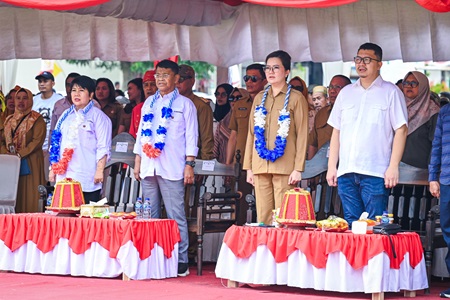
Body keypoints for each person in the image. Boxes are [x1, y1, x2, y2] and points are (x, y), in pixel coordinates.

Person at [326, 42, 408, 224]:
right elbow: (336, 131)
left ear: (379, 64)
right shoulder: (346, 93)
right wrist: (332, 166)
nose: (361, 64)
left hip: (375, 171)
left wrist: (393, 166)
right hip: (346, 171)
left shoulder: (391, 92)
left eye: (367, 60)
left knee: (375, 225)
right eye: (358, 59)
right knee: (351, 224)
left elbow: (401, 130)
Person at [133, 59, 198, 277]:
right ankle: (150, 256)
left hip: (172, 167)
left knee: (175, 215)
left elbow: (191, 136)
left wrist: (189, 164)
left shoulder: (185, 105)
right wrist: (138, 161)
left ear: (176, 79)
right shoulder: (148, 103)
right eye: (158, 75)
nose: (160, 79)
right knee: (148, 216)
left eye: (165, 75)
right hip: (149, 166)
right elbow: (142, 133)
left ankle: (181, 260)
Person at [243, 50, 309, 225]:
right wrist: (249, 167)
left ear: (287, 72)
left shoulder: (296, 98)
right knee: (263, 217)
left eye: (276, 68)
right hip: (260, 165)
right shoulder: (259, 98)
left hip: (285, 166)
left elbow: (302, 134)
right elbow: (251, 134)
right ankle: (265, 251)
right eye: (268, 68)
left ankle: (280, 251)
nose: (271, 72)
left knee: (282, 217)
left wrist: (298, 168)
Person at [49, 75, 112, 203]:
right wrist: (53, 169)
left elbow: (103, 146)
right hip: (64, 177)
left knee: (85, 219)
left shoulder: (98, 117)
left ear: (91, 95)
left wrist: (99, 170)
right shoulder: (65, 116)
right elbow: (56, 143)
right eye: (74, 90)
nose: (76, 94)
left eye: (81, 90)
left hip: (86, 176)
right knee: (65, 219)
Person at [2, 88, 46, 212]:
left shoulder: (37, 119)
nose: (21, 101)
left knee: (30, 193)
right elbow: (2, 140)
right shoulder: (9, 120)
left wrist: (19, 154)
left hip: (30, 161)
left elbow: (37, 141)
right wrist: (7, 153)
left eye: (25, 98)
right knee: (14, 192)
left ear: (31, 100)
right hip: (11, 164)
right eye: (18, 98)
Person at [429, 96, 450, 299]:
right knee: (448, 229)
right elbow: (436, 146)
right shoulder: (445, 112)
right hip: (446, 180)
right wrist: (432, 177)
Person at [226, 64, 267, 165]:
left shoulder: (271, 103)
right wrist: (228, 163)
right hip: (241, 160)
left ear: (265, 81)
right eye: (246, 78)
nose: (249, 82)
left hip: (263, 160)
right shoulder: (239, 104)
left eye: (253, 78)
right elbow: (233, 136)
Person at [401, 71, 439, 169]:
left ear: (423, 86)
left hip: (421, 172)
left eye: (414, 83)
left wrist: (432, 173)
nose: (409, 86)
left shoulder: (433, 112)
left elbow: (436, 145)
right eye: (406, 83)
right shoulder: (398, 108)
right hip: (395, 172)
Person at [308, 75, 351, 159]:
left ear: (348, 90)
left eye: (337, 87)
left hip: (345, 165)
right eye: (330, 87)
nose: (332, 91)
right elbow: (313, 144)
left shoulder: (354, 113)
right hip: (322, 167)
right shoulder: (321, 114)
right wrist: (312, 167)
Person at [177, 65, 214, 160]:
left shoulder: (201, 106)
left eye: (181, 79)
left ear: (192, 81)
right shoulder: (170, 103)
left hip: (192, 160)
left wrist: (203, 165)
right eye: (175, 79)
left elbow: (206, 139)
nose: (177, 83)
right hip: (173, 159)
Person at [32, 71, 64, 180]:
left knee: (50, 179)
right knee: (36, 178)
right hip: (35, 147)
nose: (42, 84)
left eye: (45, 81)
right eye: (40, 81)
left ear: (53, 83)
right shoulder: (34, 101)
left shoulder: (59, 100)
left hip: (52, 147)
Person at [213, 86, 239, 164]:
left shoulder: (245, 119)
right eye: (217, 94)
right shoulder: (220, 121)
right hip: (221, 164)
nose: (219, 97)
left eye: (223, 94)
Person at [129, 70, 157, 138]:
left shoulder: (164, 107)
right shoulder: (137, 109)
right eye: (146, 85)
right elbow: (132, 136)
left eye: (153, 84)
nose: (149, 88)